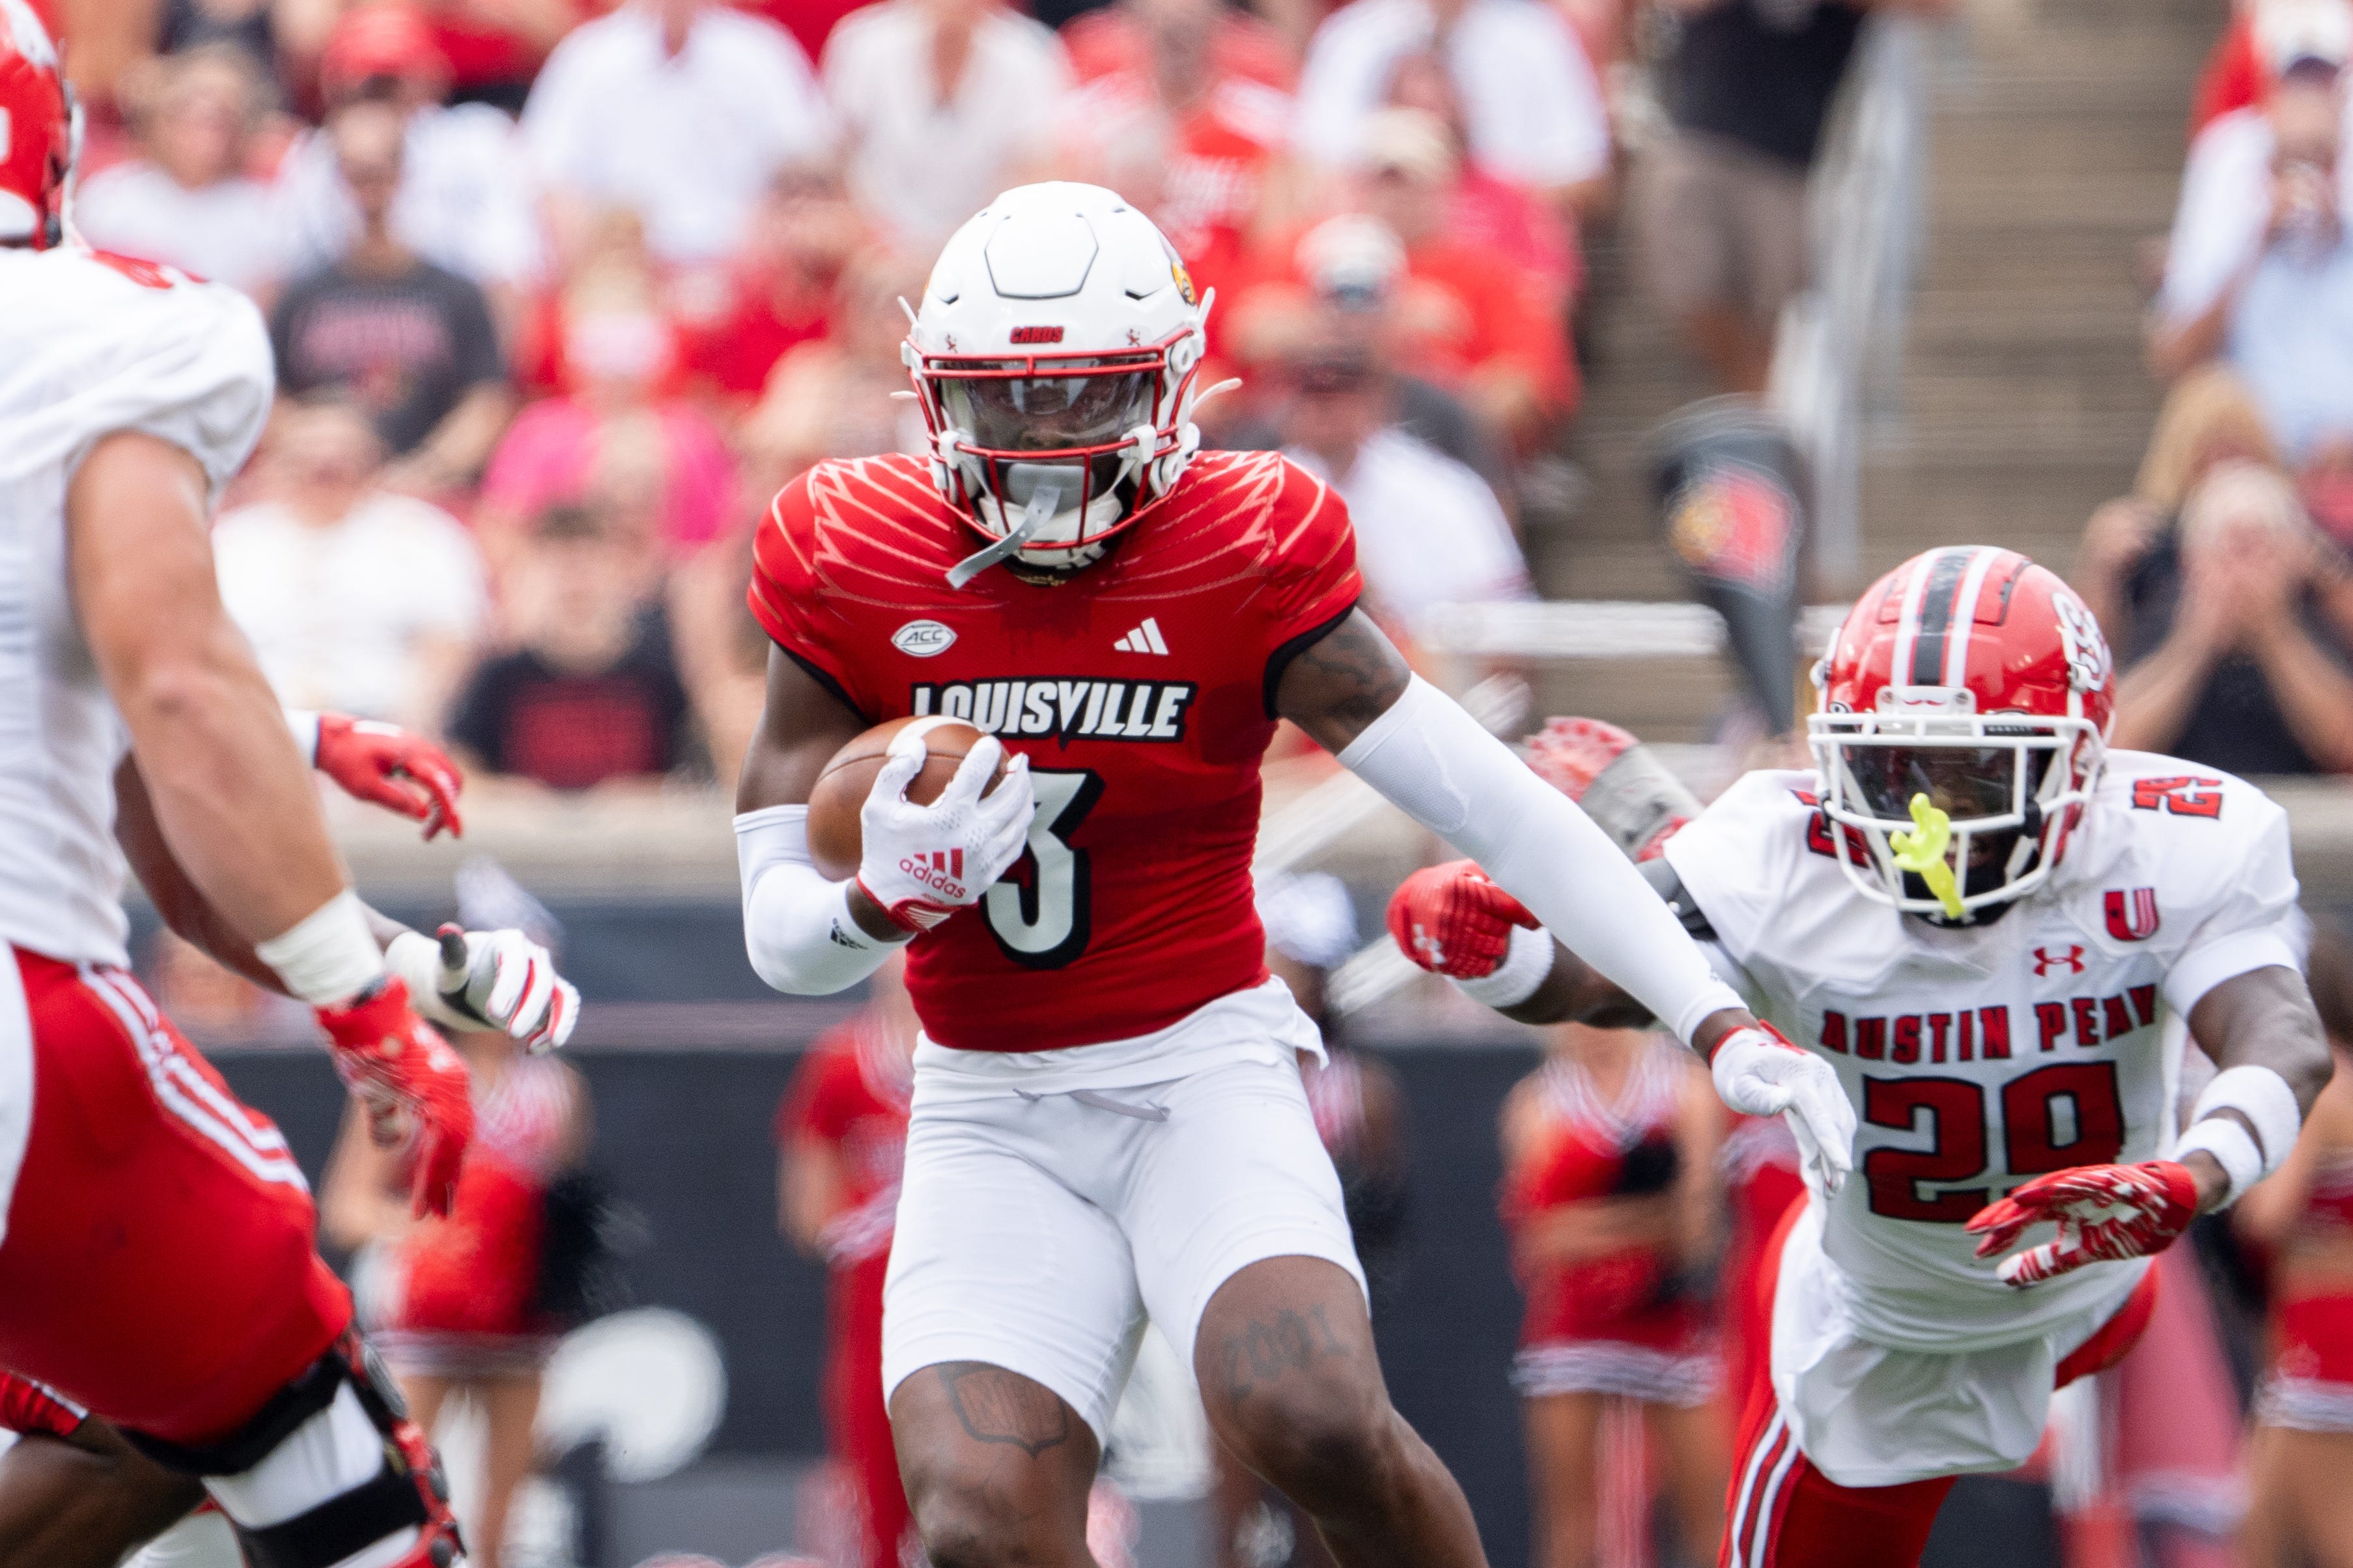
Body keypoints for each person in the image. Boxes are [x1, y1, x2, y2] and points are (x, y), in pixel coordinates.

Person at [730, 180, 1844, 1568]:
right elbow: (781, 936)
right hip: (988, 1103)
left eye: (1088, 400)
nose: (1046, 448)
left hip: (1200, 1068)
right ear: (937, 395)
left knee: (1312, 1415)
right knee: (976, 1524)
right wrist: (876, 902)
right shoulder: (850, 545)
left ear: (1175, 381)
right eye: (1009, 404)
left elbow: (1502, 809)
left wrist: (1713, 1018)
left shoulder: (1239, 542)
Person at [1385, 544, 2337, 1568]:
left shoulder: (2175, 842)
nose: (1921, 814)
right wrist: (1507, 952)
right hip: (1888, 1328)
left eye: (1972, 772)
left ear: (2081, 763)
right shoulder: (1785, 850)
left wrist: (2195, 1173)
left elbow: (2281, 1034)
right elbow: (1613, 979)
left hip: (2096, 1287)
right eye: (1889, 767)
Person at [0, 13, 578, 1565]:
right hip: (19, 1025)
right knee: (312, 1454)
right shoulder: (97, 328)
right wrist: (367, 1002)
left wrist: (299, 738)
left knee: (131, 1437)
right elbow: (170, 688)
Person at [322, 999, 591, 1568]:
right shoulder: (403, 1077)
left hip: (520, 1320)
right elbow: (348, 1206)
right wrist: (439, 1233)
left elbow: (566, 1203)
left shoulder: (557, 1088)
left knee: (506, 1516)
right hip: (425, 1319)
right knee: (401, 1491)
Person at [1631, 0, 1951, 397]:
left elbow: (1940, 10)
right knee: (1691, 288)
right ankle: (1760, 400)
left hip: (1786, 171)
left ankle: (1770, 412)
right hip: (1700, 148)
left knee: (1784, 312)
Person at [1502, 1022, 1725, 1568]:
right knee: (1569, 1531)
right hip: (1571, 1330)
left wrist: (1587, 1224)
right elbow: (1539, 1239)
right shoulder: (1536, 1100)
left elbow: (1698, 1229)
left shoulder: (1684, 1086)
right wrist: (1655, 1217)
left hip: (1670, 1322)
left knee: (1710, 1523)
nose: (1587, 1022)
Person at [269, 96, 516, 488]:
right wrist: (325, 461)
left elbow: (485, 404)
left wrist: (422, 472)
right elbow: (272, 402)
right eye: (355, 172)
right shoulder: (302, 296)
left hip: (427, 500)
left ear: (404, 173)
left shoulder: (458, 295)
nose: (368, 186)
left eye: (379, 169)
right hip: (322, 494)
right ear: (336, 178)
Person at [212, 396, 489, 730]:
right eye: (309, 455)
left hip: (382, 723)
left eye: (340, 457)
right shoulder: (234, 540)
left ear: (372, 460)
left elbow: (451, 637)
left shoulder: (421, 533)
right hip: (257, 725)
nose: (324, 467)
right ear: (278, 462)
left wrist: (413, 724)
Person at [776, 953, 920, 1568]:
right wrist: (884, 1221)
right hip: (873, 1322)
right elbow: (807, 1218)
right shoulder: (840, 1065)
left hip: (975, 1309)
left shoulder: (982, 1057)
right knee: (879, 1514)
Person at [2152, 38, 2353, 458]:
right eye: (2292, 157)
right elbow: (2173, 358)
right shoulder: (2228, 172)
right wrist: (2257, 242)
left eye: (2321, 157)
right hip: (2259, 464)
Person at [521, 0, 833, 268]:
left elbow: (808, 170)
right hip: (626, 274)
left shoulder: (763, 56)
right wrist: (600, 264)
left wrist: (756, 256)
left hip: (746, 270)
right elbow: (550, 182)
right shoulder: (587, 58)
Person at [271, 3, 543, 307]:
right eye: (371, 84)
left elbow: (510, 273)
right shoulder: (312, 158)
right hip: (346, 322)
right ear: (336, 89)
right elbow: (285, 284)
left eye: (395, 80)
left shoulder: (476, 142)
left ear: (430, 79)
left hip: (454, 321)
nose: (383, 97)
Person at [2109, 460, 2353, 775]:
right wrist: (2194, 645)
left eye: (2259, 550)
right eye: (2229, 549)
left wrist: (2276, 635)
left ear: (2292, 557)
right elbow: (2116, 746)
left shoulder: (2319, 619)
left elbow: (2344, 748)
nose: (2242, 570)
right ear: (2193, 560)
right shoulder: (2162, 616)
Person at [2237, 919, 2353, 1568]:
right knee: (2255, 1534)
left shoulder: (2317, 1085)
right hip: (2311, 1338)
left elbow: (2265, 1215)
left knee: (2336, 1541)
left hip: (2325, 1339)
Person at [1278, 345, 1532, 639]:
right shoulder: (1265, 489)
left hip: (1425, 666)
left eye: (1344, 398)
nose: (1327, 414)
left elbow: (1505, 612)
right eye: (1314, 399)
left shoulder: (1441, 488)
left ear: (1376, 402)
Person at [447, 504, 697, 790]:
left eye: (590, 567)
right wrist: (515, 797)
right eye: (561, 568)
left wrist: (642, 797)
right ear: (534, 574)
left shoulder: (660, 677)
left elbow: (691, 777)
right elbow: (462, 768)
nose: (576, 583)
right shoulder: (499, 678)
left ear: (620, 572)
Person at [1292, 0, 1609, 217]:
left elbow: (1582, 176)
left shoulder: (1535, 35)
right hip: (1374, 238)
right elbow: (1313, 167)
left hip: (1501, 241)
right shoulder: (1352, 36)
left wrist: (1481, 207)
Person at [820, 0, 1071, 253]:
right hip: (871, 248)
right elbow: (835, 162)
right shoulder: (862, 43)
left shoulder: (1031, 55)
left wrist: (967, 252)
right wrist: (876, 246)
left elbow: (1036, 175)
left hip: (989, 251)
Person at [73, 45, 277, 297]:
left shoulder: (262, 214)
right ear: (162, 115)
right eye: (191, 105)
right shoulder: (108, 196)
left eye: (221, 114)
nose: (203, 119)